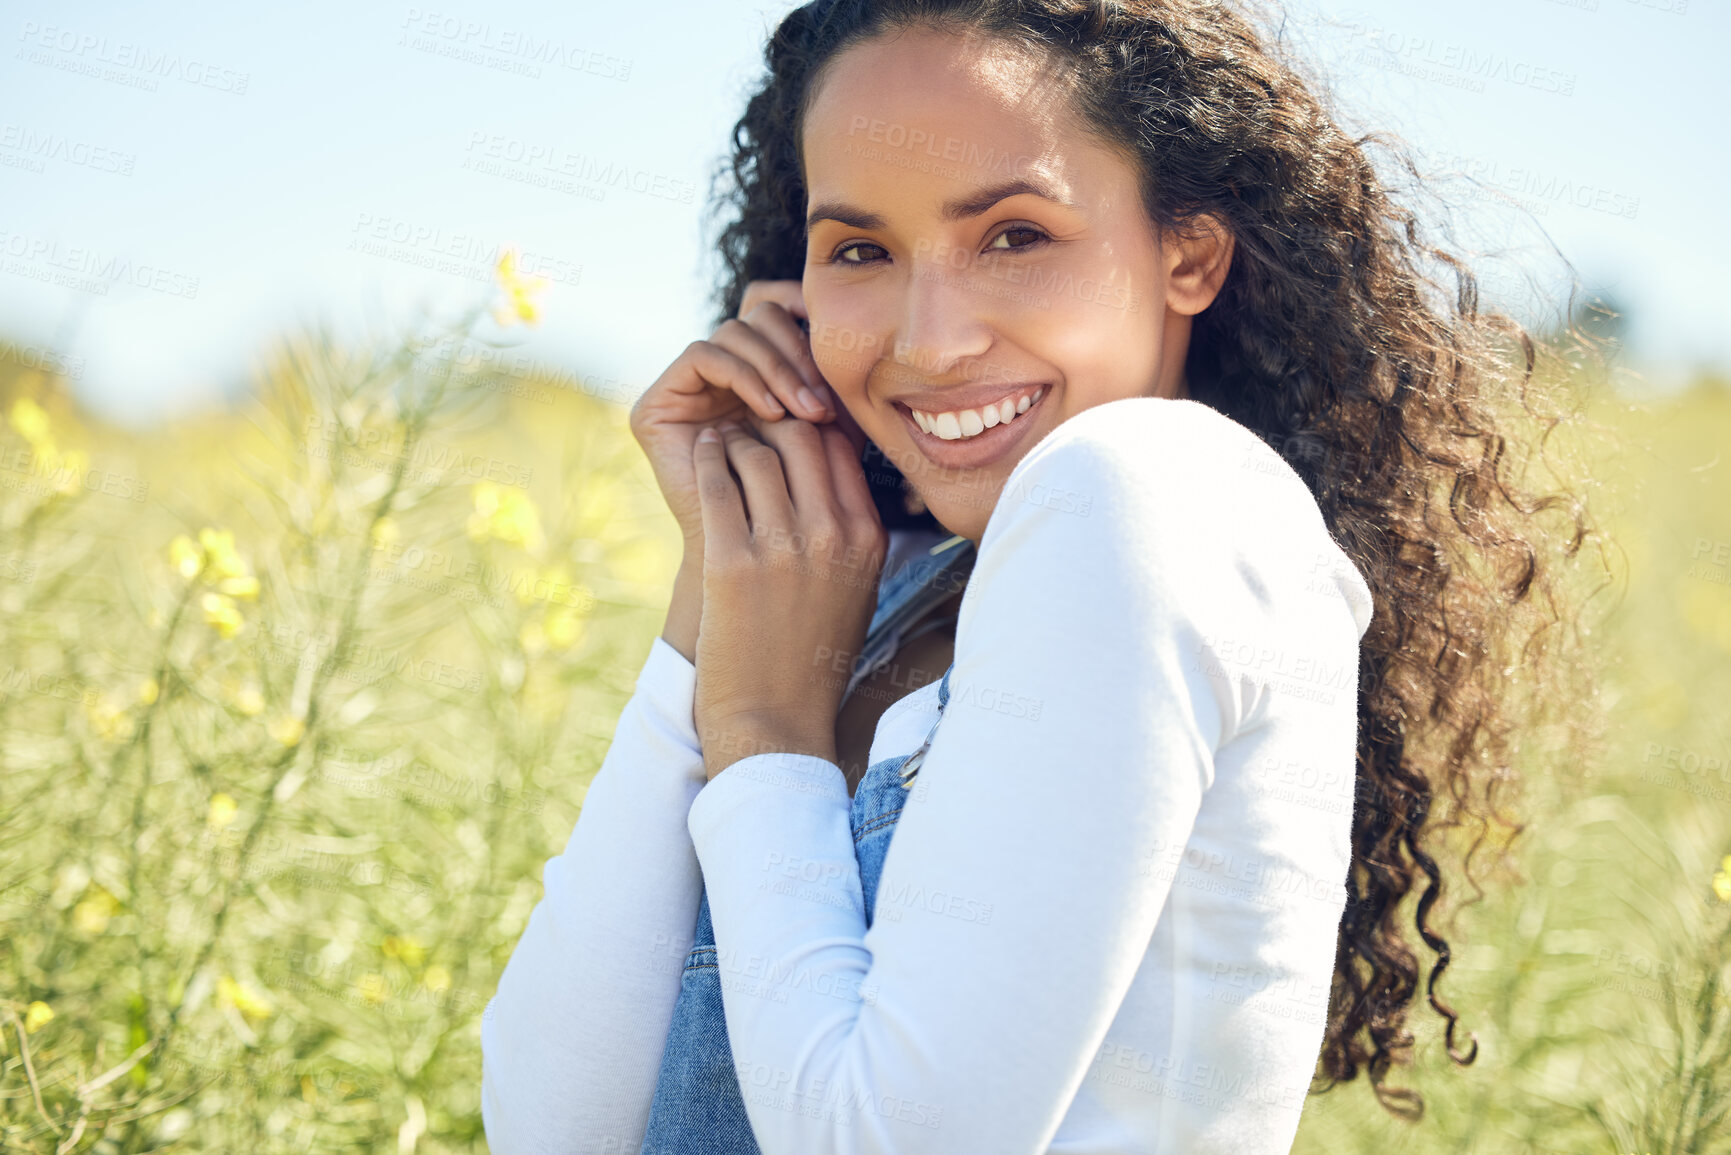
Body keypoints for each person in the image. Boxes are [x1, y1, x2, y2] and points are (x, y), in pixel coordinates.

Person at [481, 1, 1594, 1151]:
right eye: (861, 250)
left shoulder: (1148, 489)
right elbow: (550, 1125)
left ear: (1190, 254)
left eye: (1015, 235)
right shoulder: (895, 589)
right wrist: (718, 585)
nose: (931, 340)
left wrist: (764, 727)